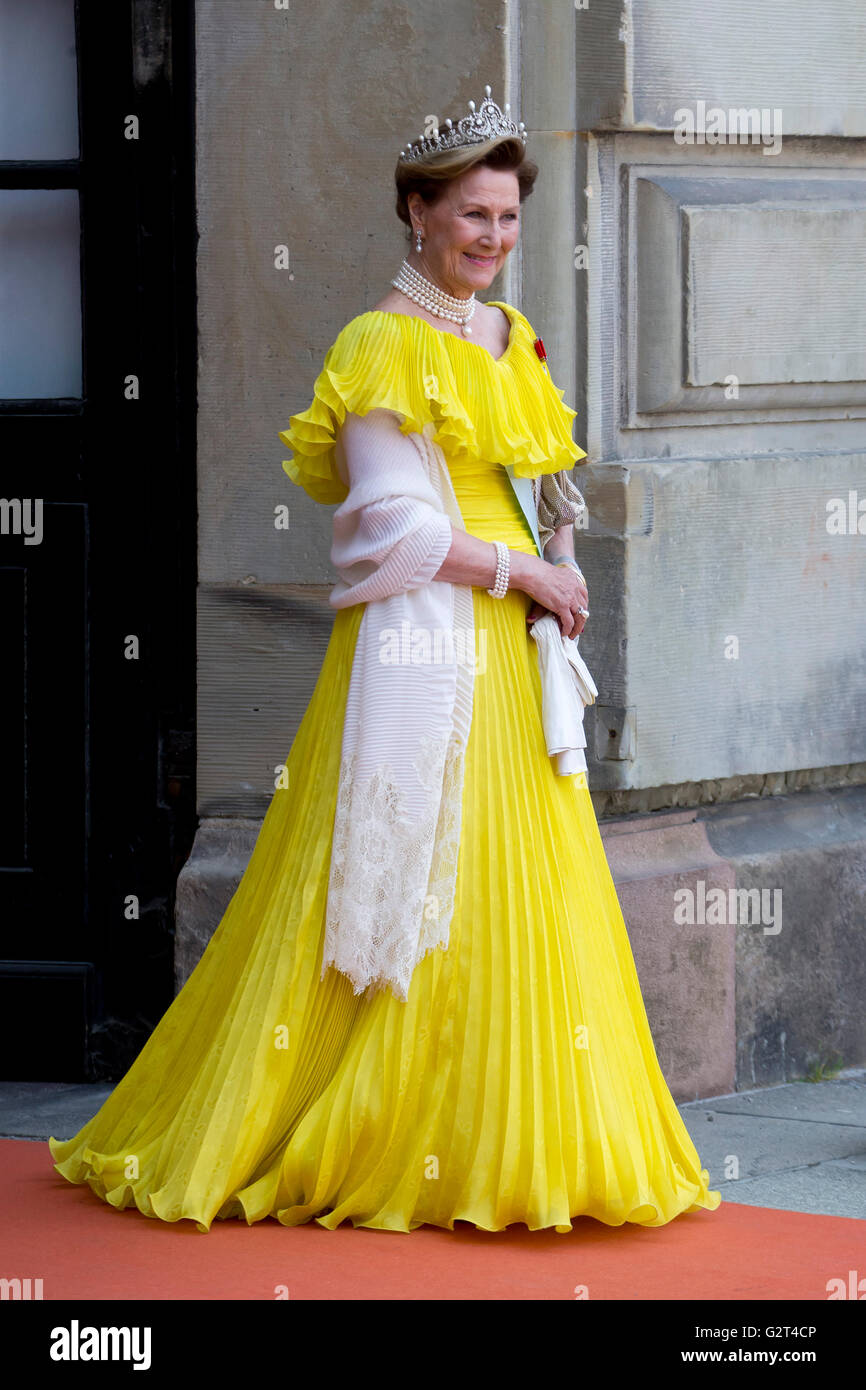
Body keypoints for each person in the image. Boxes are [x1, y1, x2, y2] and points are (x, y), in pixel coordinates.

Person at [49, 88, 720, 1234]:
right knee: (408, 890)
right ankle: (385, 1133)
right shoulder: (379, 342)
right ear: (415, 212)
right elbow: (389, 531)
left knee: (524, 898)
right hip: (431, 651)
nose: (493, 240)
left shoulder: (512, 339)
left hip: (517, 660)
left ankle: (517, 1143)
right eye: (471, 216)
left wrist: (562, 558)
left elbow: (547, 475)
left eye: (507, 219)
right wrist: (524, 576)